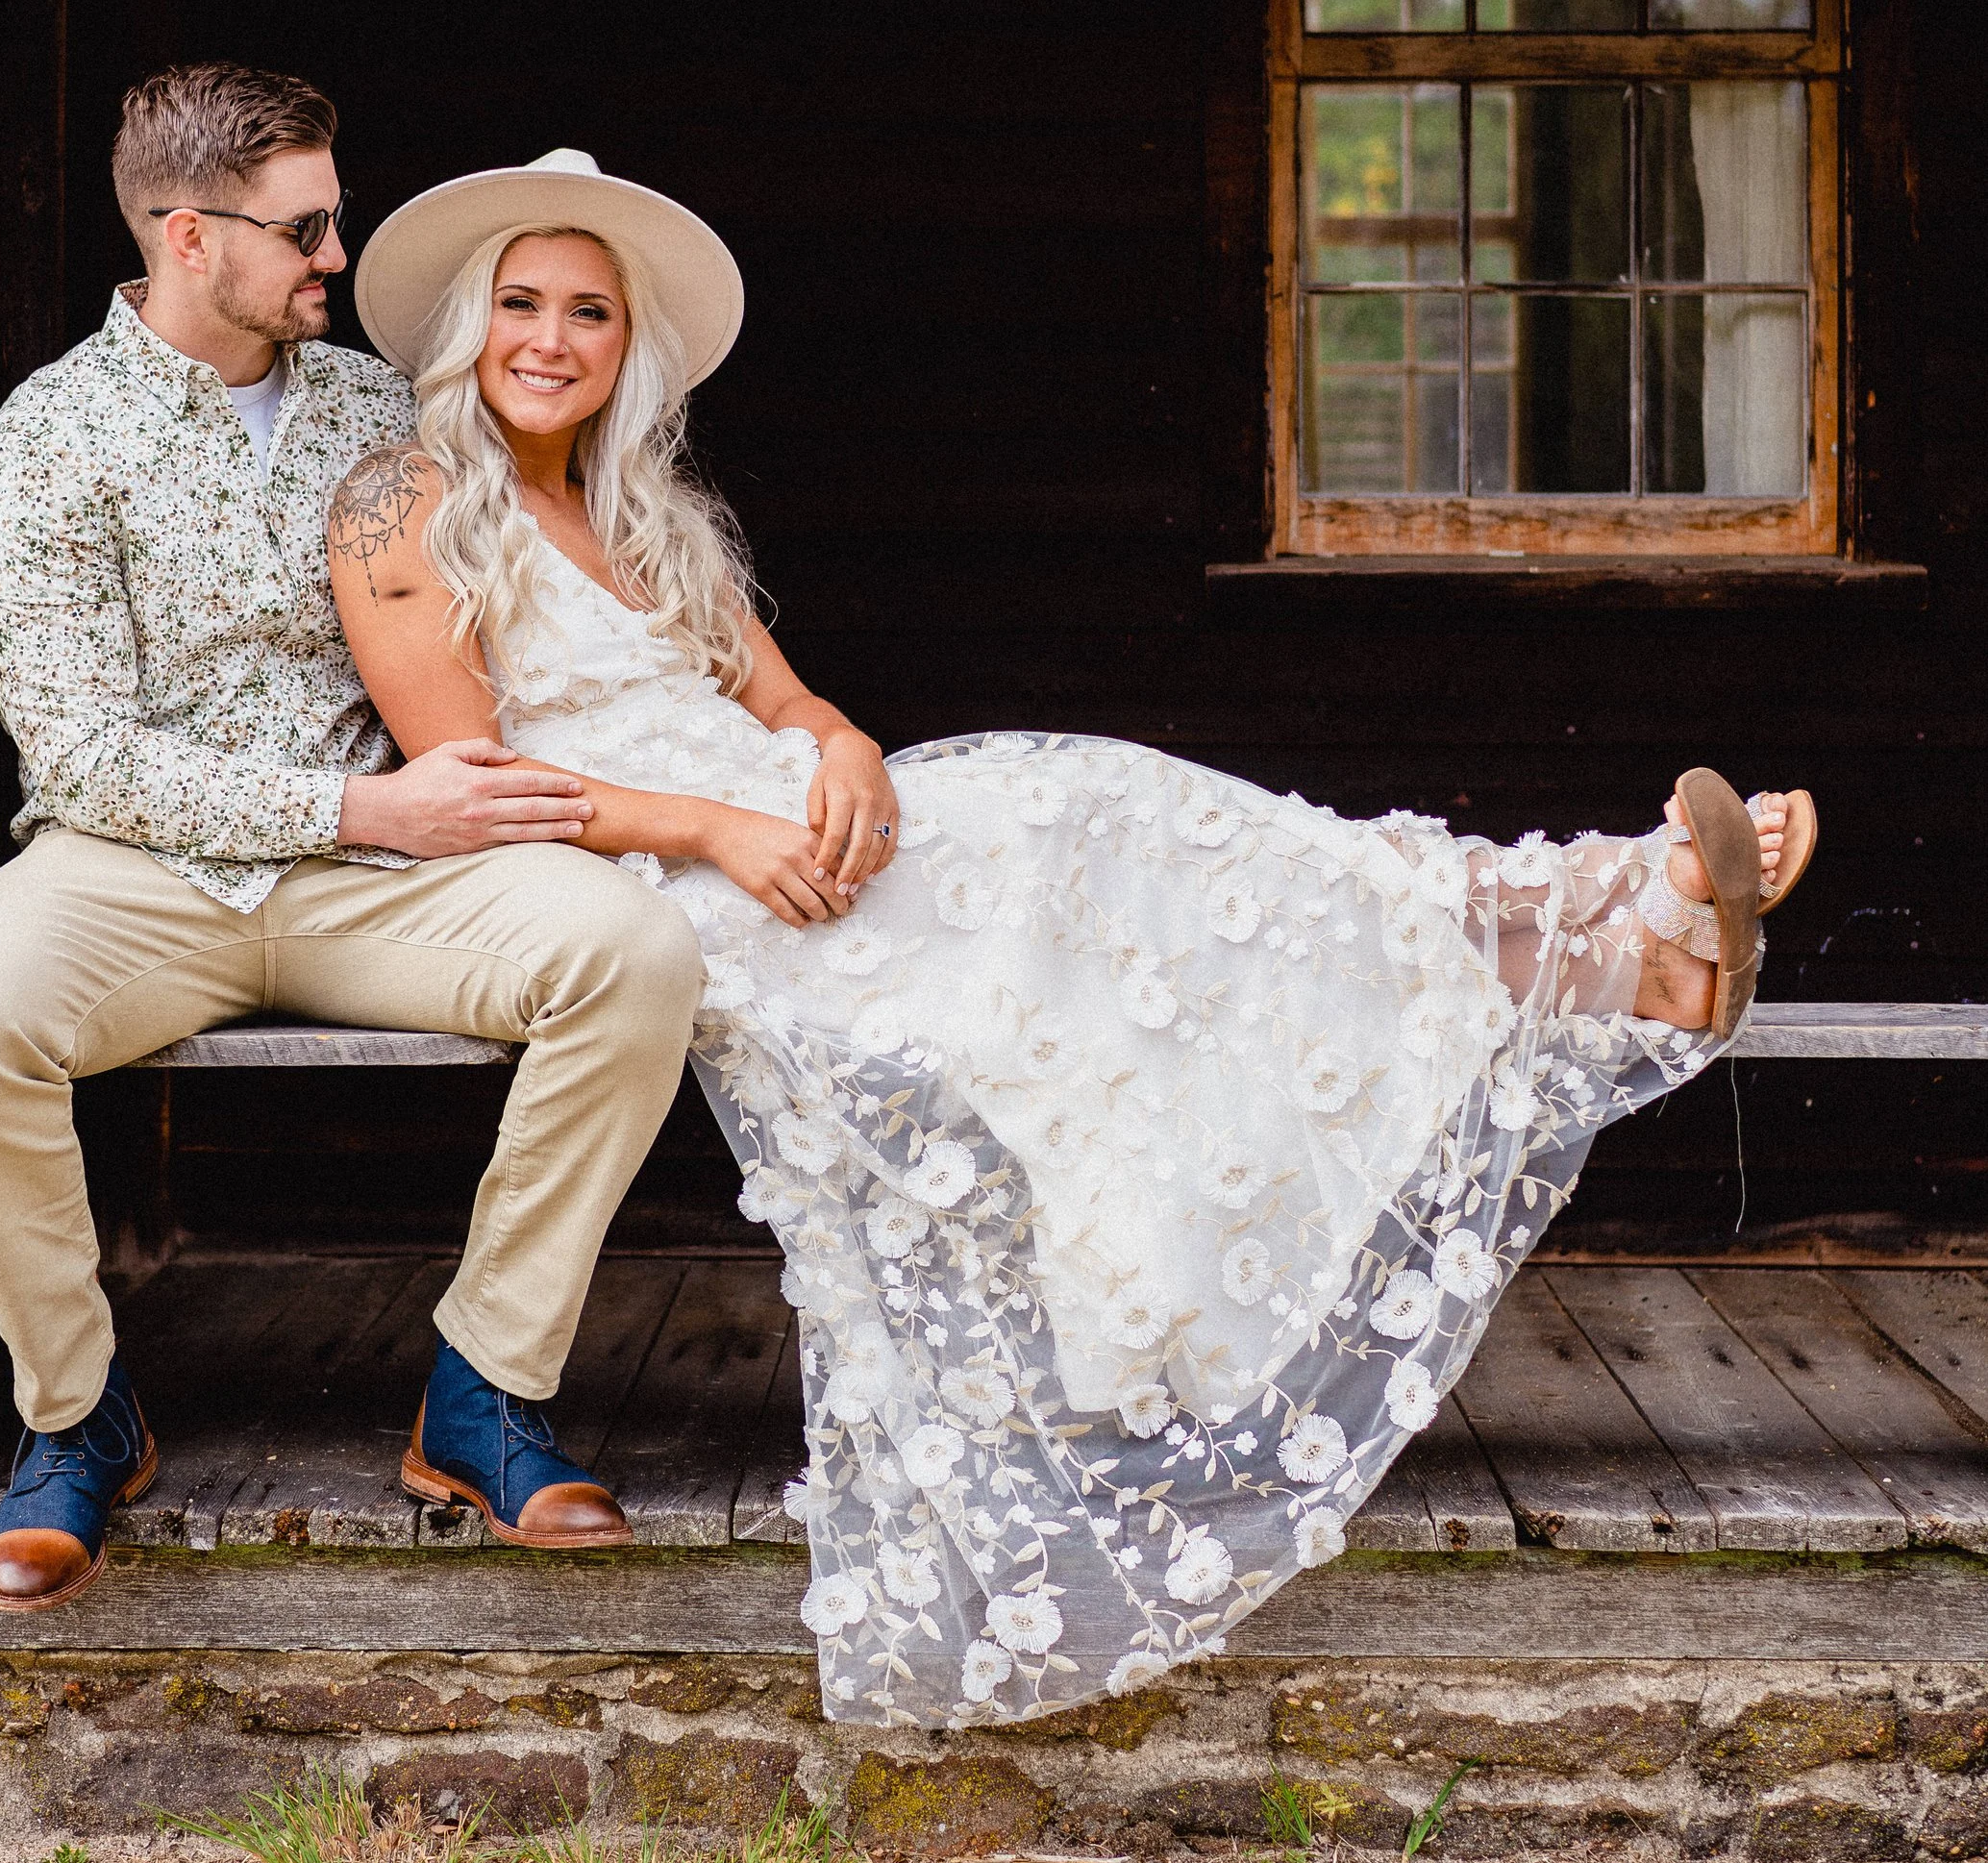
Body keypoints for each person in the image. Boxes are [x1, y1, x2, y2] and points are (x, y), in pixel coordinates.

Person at [329, 148, 1818, 1730]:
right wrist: (716, 829)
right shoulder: (402, 502)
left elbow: (786, 701)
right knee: (1116, 856)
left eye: (590, 311)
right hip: (679, 880)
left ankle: (1622, 916)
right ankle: (1618, 928)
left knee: (1139, 833)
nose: (551, 339)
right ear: (465, 323)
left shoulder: (640, 509)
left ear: (629, 345)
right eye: (521, 303)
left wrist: (836, 751)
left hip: (805, 827)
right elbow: (471, 784)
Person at [0, 69, 705, 1614]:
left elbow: (562, 572)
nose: (340, 255)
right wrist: (361, 805)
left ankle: (482, 1390)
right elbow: (86, 755)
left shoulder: (383, 407)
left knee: (634, 952)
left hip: (392, 877)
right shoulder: (42, 446)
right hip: (130, 873)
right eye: (307, 228)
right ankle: (74, 1414)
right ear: (190, 237)